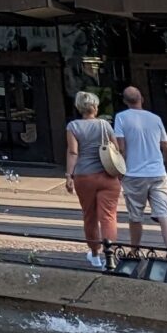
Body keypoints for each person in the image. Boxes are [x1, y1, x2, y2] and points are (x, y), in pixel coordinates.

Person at [110, 85, 167, 256]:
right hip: (157, 172)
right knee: (164, 213)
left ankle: (134, 250)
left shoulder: (121, 117)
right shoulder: (155, 118)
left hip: (133, 173)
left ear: (125, 101)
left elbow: (121, 147)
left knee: (135, 216)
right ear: (142, 99)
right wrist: (166, 163)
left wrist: (120, 170)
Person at [64, 90, 121, 270]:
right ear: (95, 107)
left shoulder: (73, 126)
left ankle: (95, 255)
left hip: (84, 176)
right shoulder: (105, 125)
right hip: (108, 175)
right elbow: (116, 148)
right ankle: (110, 257)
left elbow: (73, 152)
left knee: (90, 216)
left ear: (79, 108)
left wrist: (68, 175)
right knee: (109, 217)